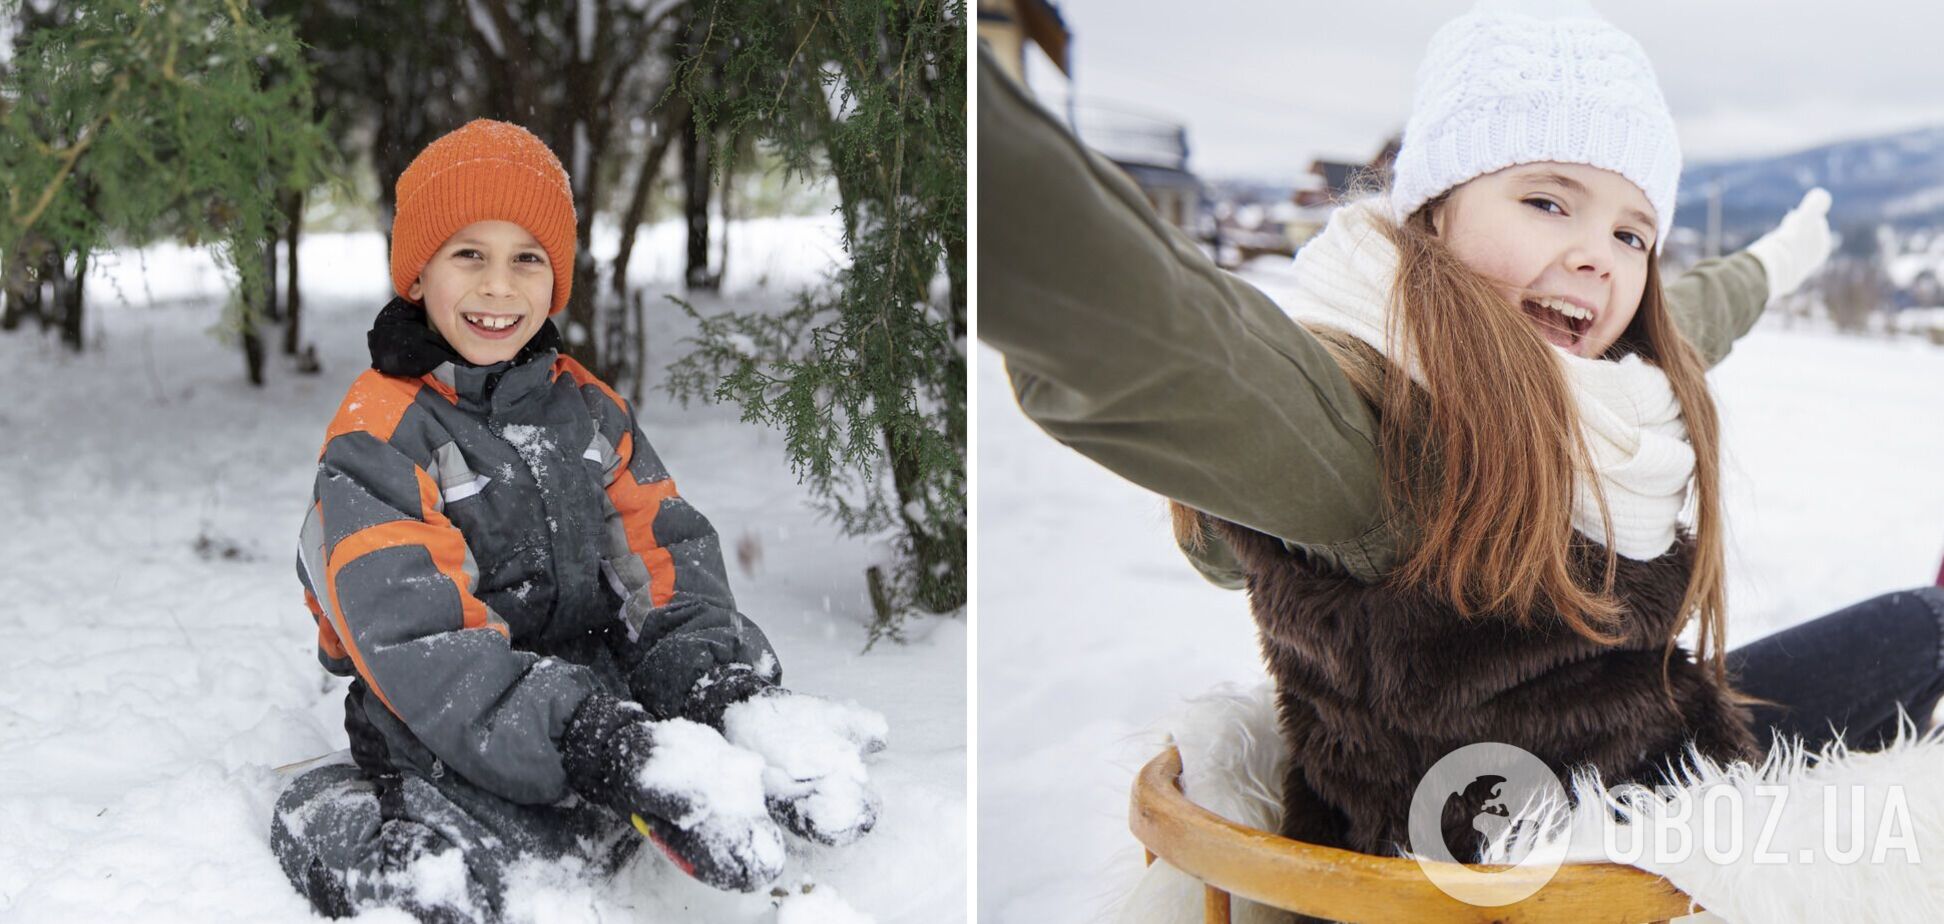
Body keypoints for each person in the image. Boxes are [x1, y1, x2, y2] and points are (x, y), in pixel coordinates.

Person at [979, 5, 1944, 868]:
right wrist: (973, 141)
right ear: (1433, 212)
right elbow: (1170, 343)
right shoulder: (1369, 432)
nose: (1597, 259)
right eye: (1547, 201)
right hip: (1571, 867)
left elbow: (1698, 310)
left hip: (1663, 762)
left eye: (1631, 233)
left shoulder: (1590, 390)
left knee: (1918, 627)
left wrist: (1785, 255)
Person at [269, 119, 887, 923]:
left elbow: (663, 561)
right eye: (469, 256)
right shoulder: (379, 436)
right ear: (417, 275)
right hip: (433, 719)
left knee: (655, 796)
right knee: (471, 884)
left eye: (527, 259)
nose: (499, 288)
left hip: (589, 695)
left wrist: (714, 694)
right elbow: (422, 643)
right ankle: (341, 819)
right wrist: (598, 743)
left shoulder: (585, 409)